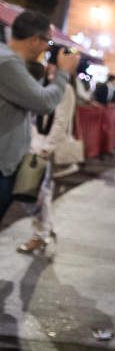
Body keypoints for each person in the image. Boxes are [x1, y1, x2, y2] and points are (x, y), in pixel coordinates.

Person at [0, 11, 79, 222]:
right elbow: (43, 102)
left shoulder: (7, 59)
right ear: (35, 40)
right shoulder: (7, 63)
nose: (47, 48)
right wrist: (63, 73)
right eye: (48, 41)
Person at [16, 66, 79, 254]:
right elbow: (31, 116)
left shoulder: (65, 89)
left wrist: (45, 147)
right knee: (38, 191)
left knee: (37, 192)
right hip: (31, 144)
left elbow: (62, 121)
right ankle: (45, 230)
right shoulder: (39, 84)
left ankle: (40, 234)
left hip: (44, 148)